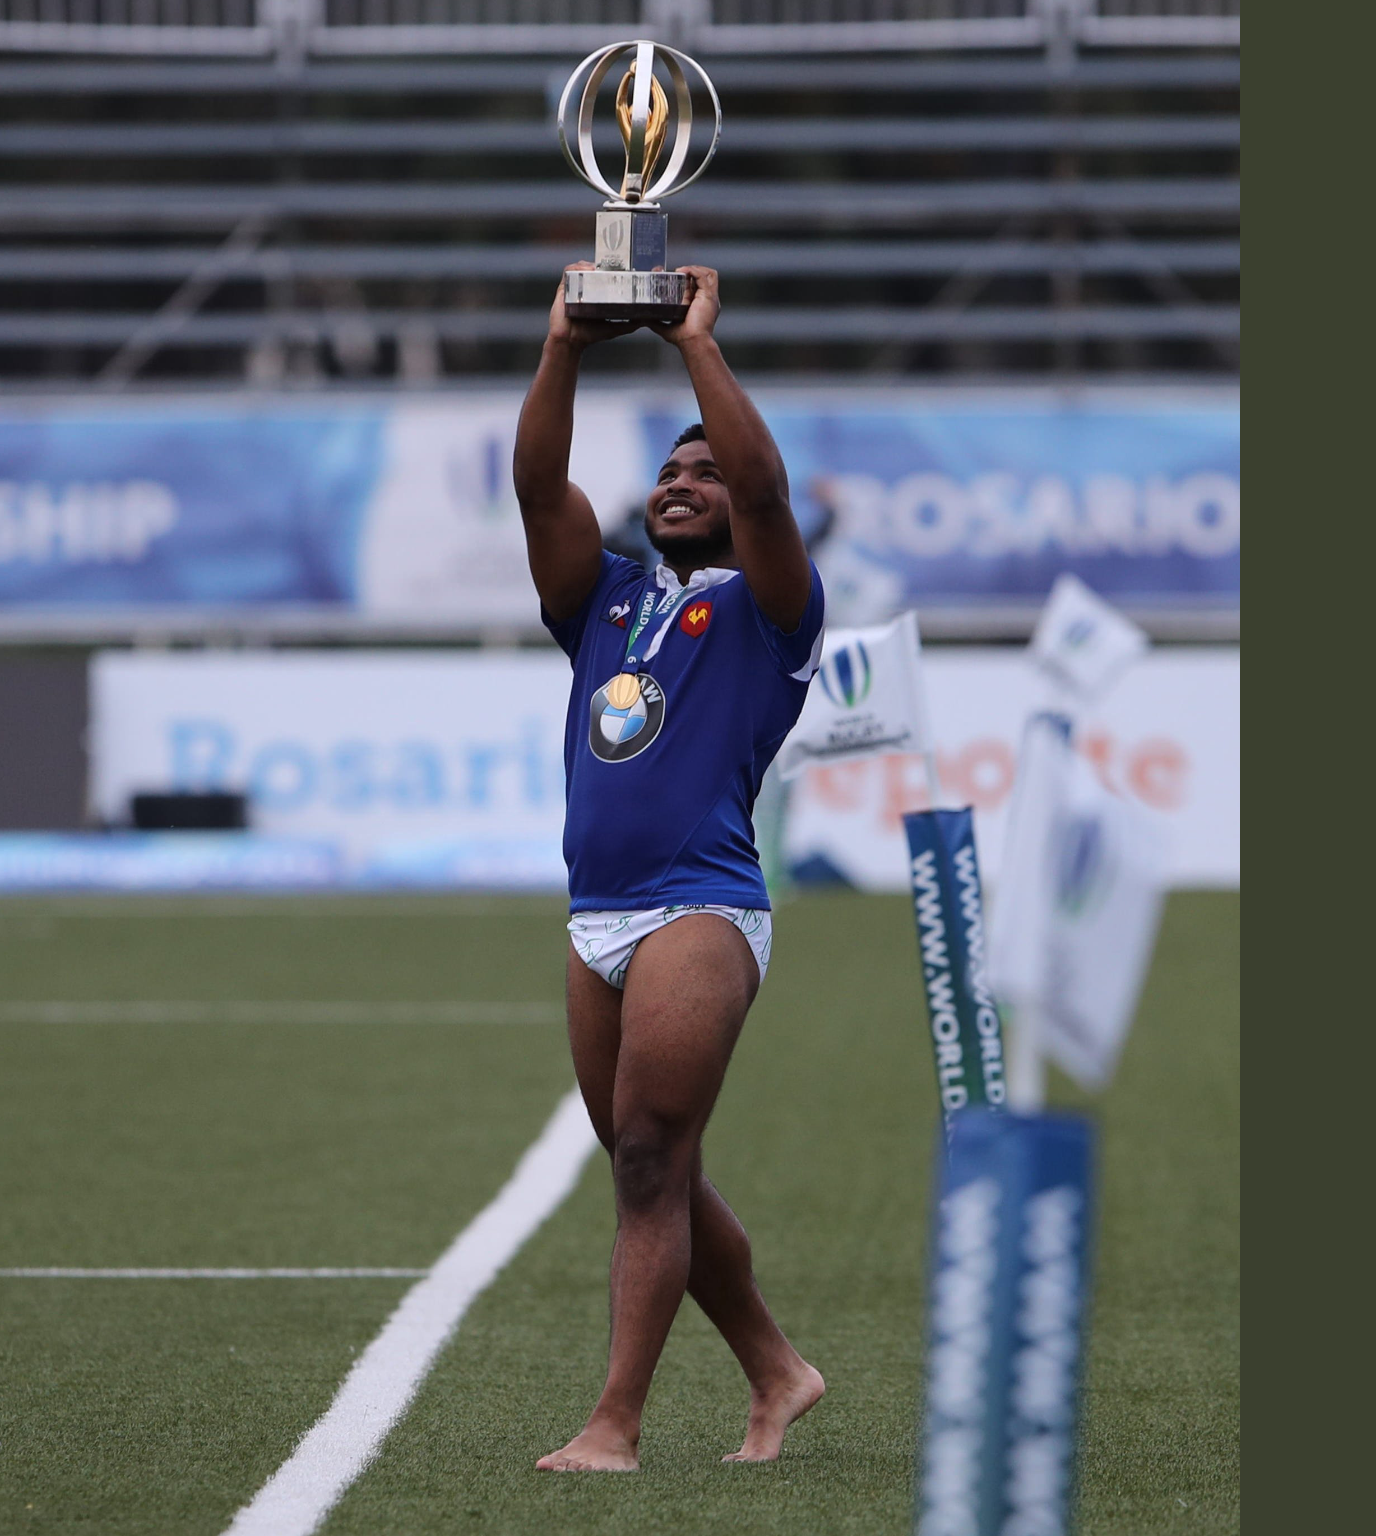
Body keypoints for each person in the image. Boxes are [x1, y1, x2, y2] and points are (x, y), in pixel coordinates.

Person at [513, 264, 828, 1472]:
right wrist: (562, 345)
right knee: (656, 1165)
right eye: (667, 470)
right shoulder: (601, 598)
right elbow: (536, 485)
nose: (681, 481)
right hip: (593, 916)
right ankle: (777, 1371)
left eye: (704, 472)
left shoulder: (772, 609)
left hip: (700, 907)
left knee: (647, 1157)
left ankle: (614, 1425)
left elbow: (766, 488)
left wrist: (695, 342)